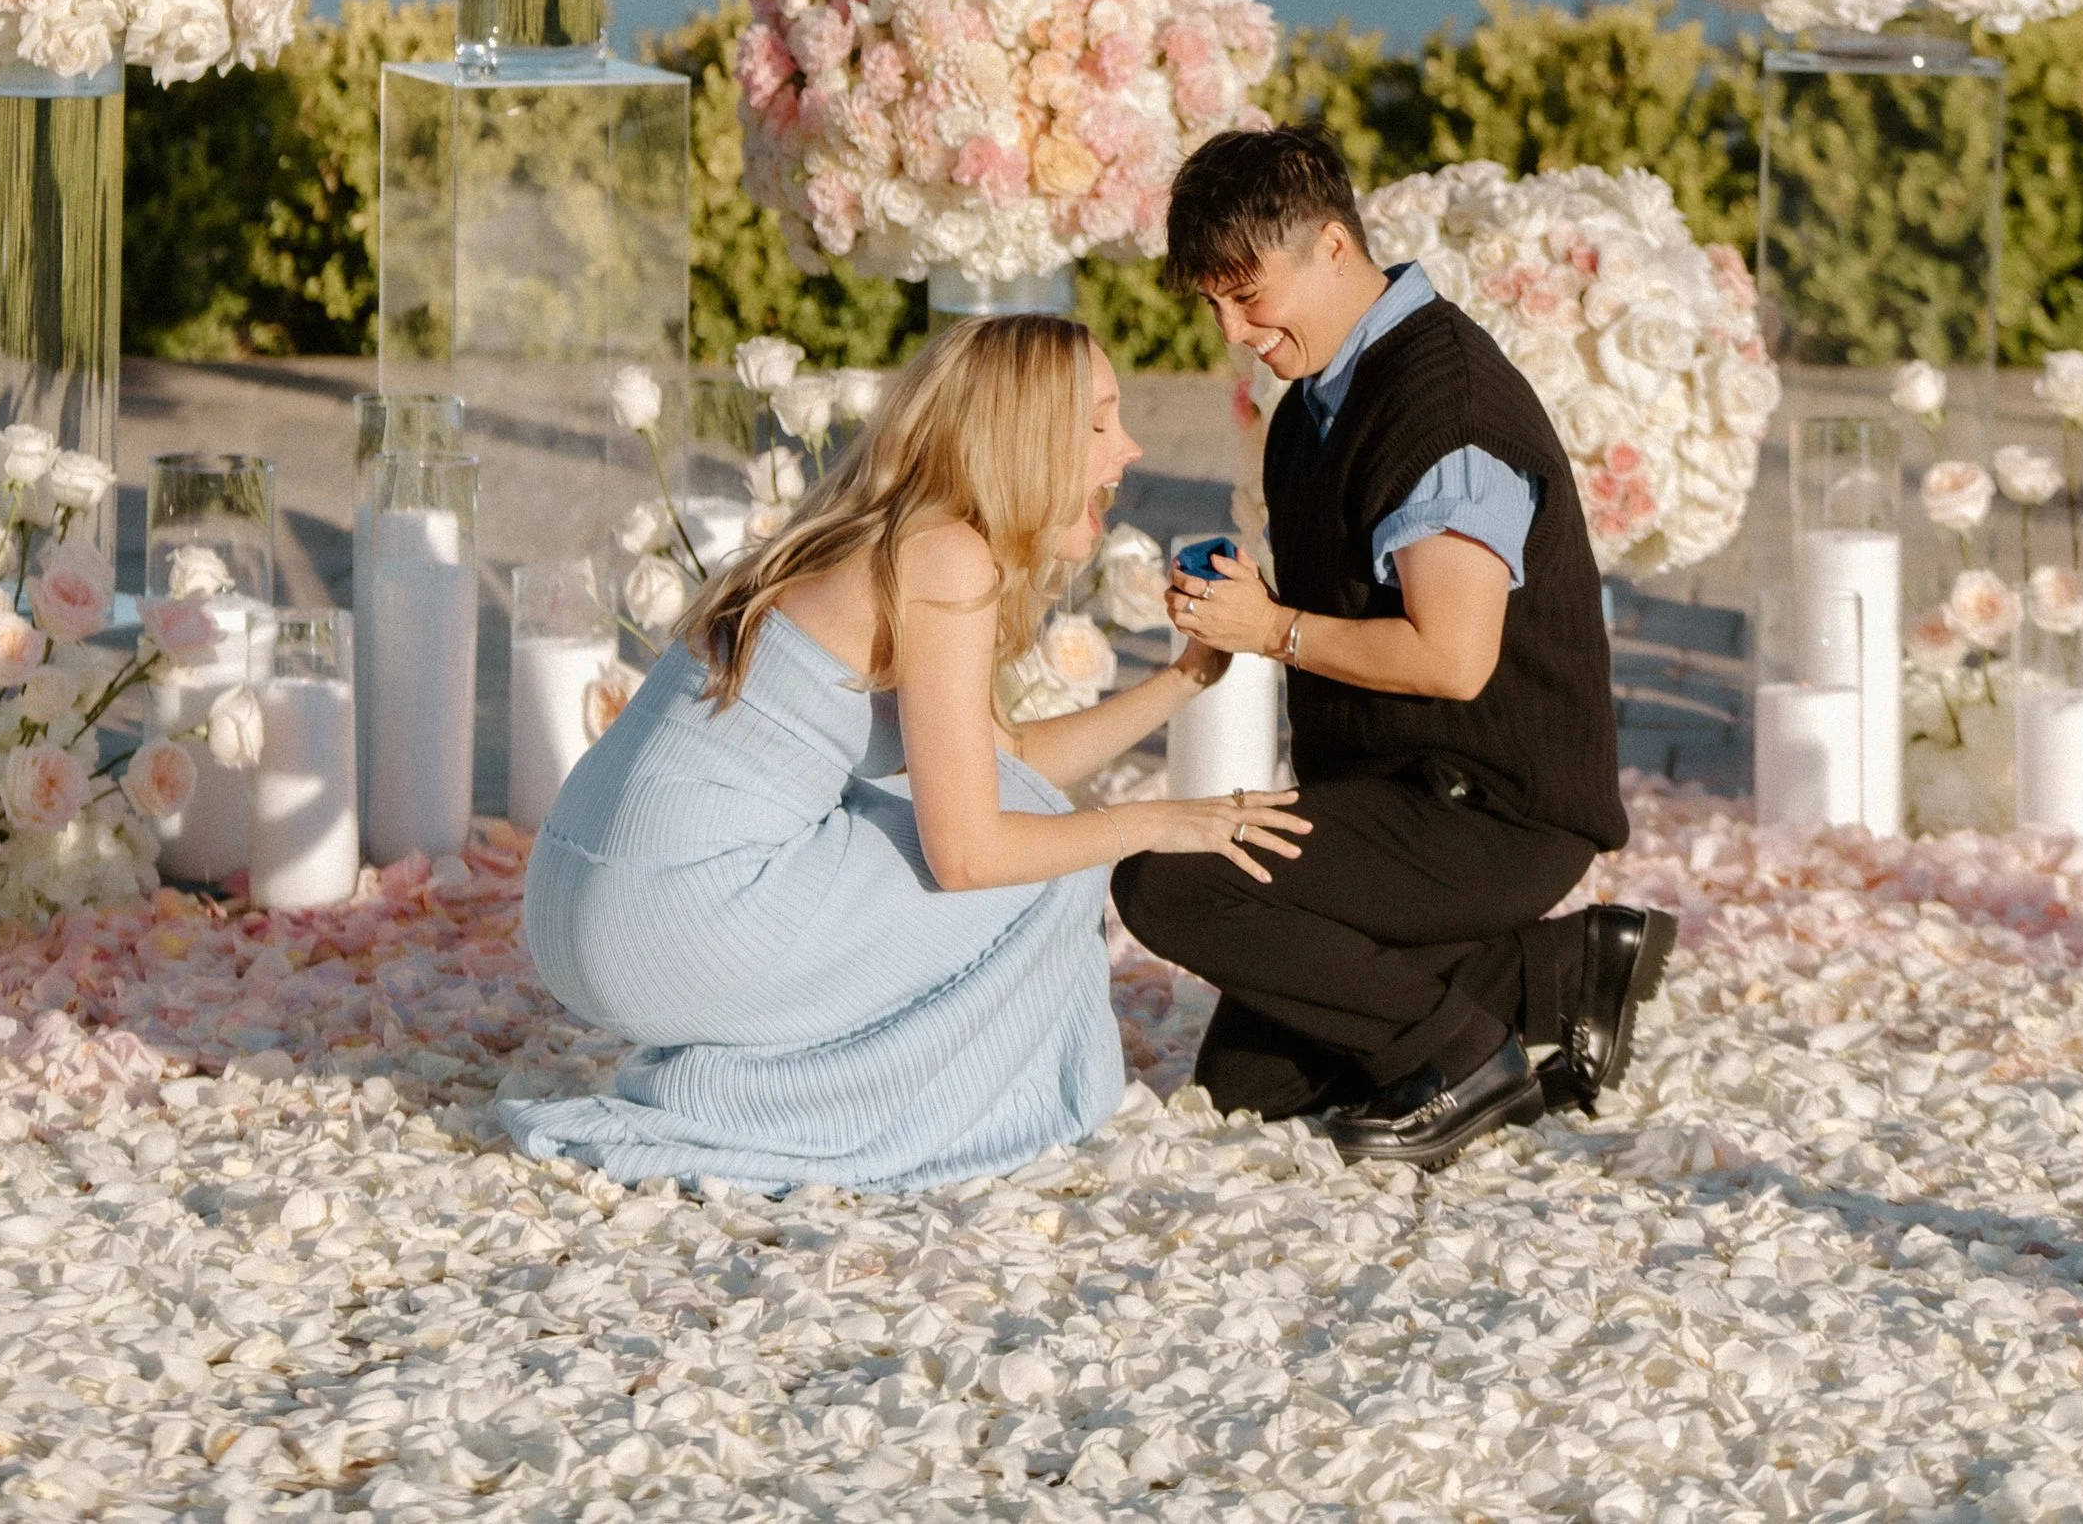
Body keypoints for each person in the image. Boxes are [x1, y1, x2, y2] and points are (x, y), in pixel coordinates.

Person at [499, 311, 1309, 1193]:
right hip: (667, 918)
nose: (1132, 448)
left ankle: (747, 1088)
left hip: (584, 904)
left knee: (1037, 827)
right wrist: (1161, 824)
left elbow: (1008, 760)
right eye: (1099, 423)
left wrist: (1186, 678)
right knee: (1049, 860)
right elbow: (969, 855)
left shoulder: (898, 535)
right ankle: (813, 1112)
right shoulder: (948, 557)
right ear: (1025, 438)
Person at [1113, 122, 1675, 1168]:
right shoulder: (1310, 409)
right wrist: (1253, 607)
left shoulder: (1444, 409)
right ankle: (1562, 973)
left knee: (1171, 881)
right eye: (1213, 304)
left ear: (1333, 247)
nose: (1234, 330)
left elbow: (1451, 659)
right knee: (1248, 1086)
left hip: (1494, 810)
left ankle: (1465, 1059)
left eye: (1249, 296)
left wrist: (1271, 629)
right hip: (1399, 792)